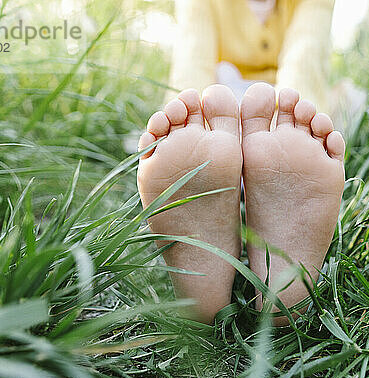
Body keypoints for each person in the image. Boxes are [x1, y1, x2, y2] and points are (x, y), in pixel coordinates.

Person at [137, 83, 345, 325]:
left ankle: (200, 288)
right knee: (286, 135)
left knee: (205, 135)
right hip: (276, 129)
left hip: (214, 123)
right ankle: (286, 290)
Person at [168, 0, 335, 114]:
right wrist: (188, 112)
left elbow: (305, 58)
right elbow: (192, 60)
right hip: (222, 94)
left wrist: (290, 113)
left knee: (346, 103)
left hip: (282, 95)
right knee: (216, 91)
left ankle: (286, 134)